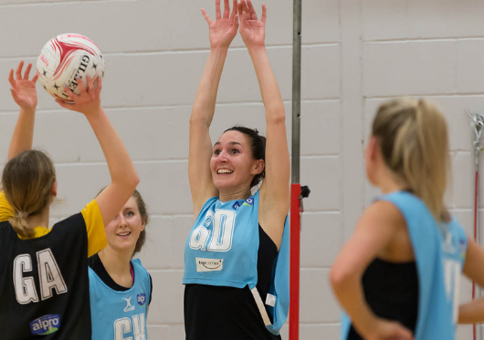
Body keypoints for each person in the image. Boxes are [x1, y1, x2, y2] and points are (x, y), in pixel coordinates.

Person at [0, 61, 139, 339]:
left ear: (9, 191)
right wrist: (93, 112)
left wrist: (27, 110)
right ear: (54, 189)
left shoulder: (3, 235)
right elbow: (127, 180)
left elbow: (15, 169)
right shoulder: (75, 235)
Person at [183, 0, 290, 339]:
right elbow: (198, 121)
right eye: (217, 151)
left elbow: (276, 118)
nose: (221, 157)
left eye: (234, 150)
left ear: (258, 165)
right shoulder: (206, 205)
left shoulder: (266, 211)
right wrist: (218, 48)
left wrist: (256, 47)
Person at [330, 98, 472, 340]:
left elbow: (341, 275)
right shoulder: (446, 223)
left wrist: (371, 327)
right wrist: (443, 311)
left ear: (373, 147)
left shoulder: (389, 211)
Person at [88, 189, 152, 340]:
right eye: (113, 215)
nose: (123, 223)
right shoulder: (85, 280)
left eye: (129, 213)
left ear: (142, 222)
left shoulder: (143, 278)